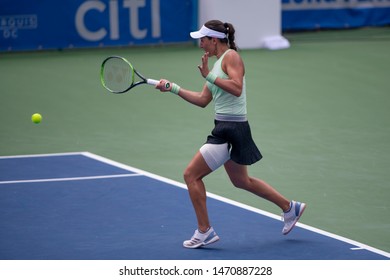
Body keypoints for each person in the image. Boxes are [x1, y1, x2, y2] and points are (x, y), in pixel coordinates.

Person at [156, 20, 306, 249]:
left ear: (214, 40)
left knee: (191, 175)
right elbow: (203, 100)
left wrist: (209, 76)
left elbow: (236, 88)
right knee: (241, 181)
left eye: (202, 40)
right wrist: (173, 88)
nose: (200, 44)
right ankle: (290, 208)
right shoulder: (217, 65)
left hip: (230, 129)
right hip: (230, 127)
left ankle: (204, 230)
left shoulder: (231, 58)